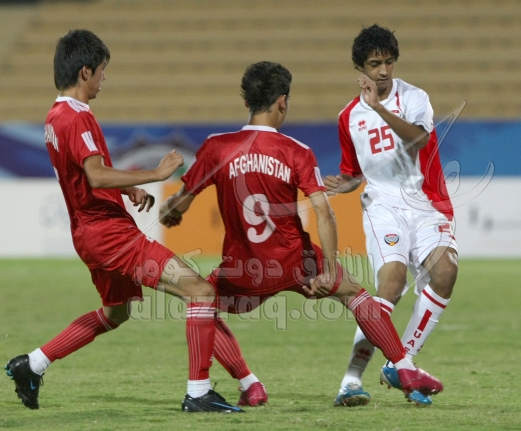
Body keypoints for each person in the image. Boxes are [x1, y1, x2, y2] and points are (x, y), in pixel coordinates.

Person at [159, 61, 444, 406]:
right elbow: (324, 213)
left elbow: (181, 204)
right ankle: (404, 368)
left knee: (199, 303)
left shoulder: (216, 147)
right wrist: (329, 268)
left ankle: (250, 384)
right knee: (355, 295)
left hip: (244, 267)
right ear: (283, 101)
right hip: (296, 262)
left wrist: (171, 210)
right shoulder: (297, 151)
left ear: (247, 101)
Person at [4, 29, 243, 413]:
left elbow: (84, 174)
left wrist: (127, 188)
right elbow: (96, 175)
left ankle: (32, 364)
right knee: (200, 291)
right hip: (110, 235)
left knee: (116, 312)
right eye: (102, 71)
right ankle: (198, 394)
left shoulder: (55, 116)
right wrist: (155, 174)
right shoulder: (78, 118)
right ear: (85, 72)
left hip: (88, 233)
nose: (104, 78)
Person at [324, 24, 458, 407]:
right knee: (391, 286)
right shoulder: (348, 117)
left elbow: (419, 139)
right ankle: (351, 381)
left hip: (426, 202)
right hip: (382, 206)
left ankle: (402, 362)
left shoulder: (414, 97)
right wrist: (342, 184)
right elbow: (354, 173)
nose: (383, 71)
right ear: (360, 68)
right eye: (374, 64)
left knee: (446, 272)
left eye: (388, 62)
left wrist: (380, 109)